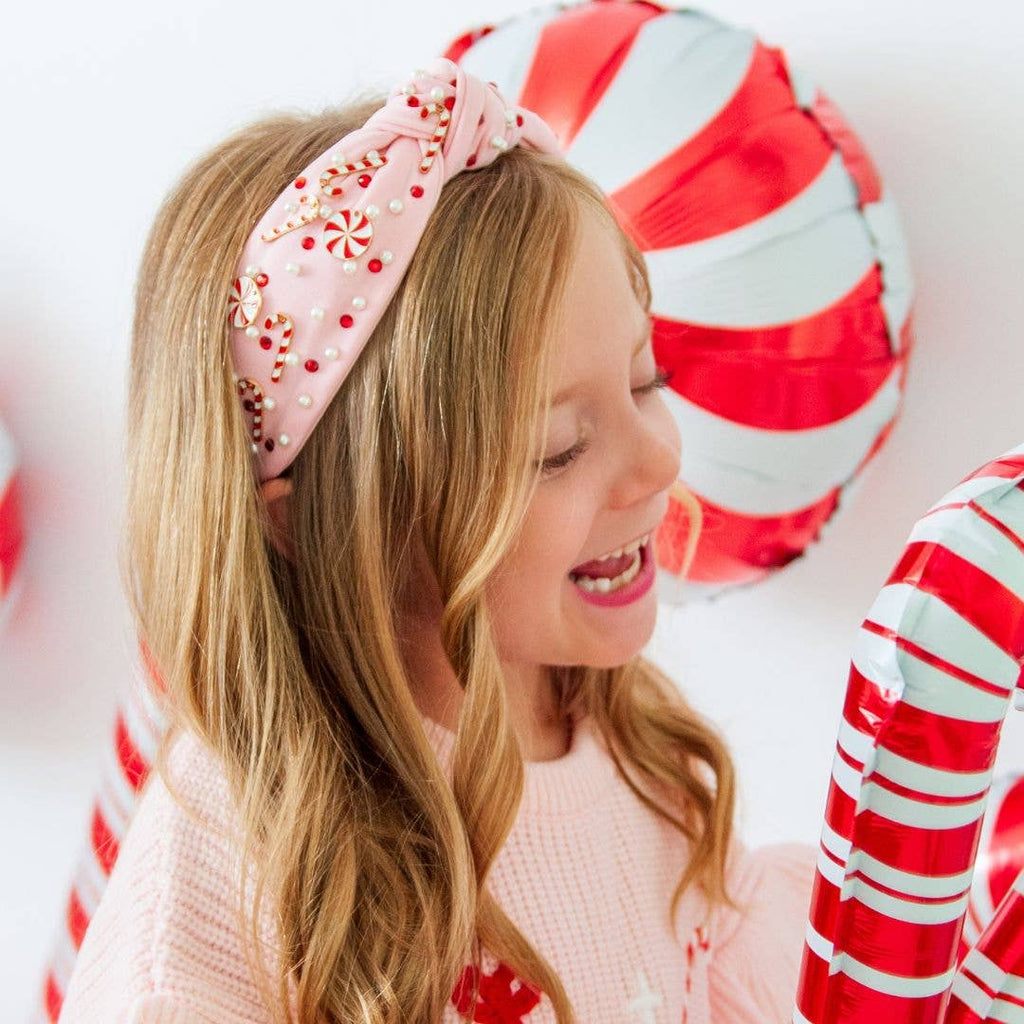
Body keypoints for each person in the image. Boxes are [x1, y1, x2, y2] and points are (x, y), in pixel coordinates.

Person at [58, 55, 816, 1023]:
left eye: (642, 378)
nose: (655, 461)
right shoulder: (228, 894)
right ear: (327, 529)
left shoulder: (615, 730)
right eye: (556, 448)